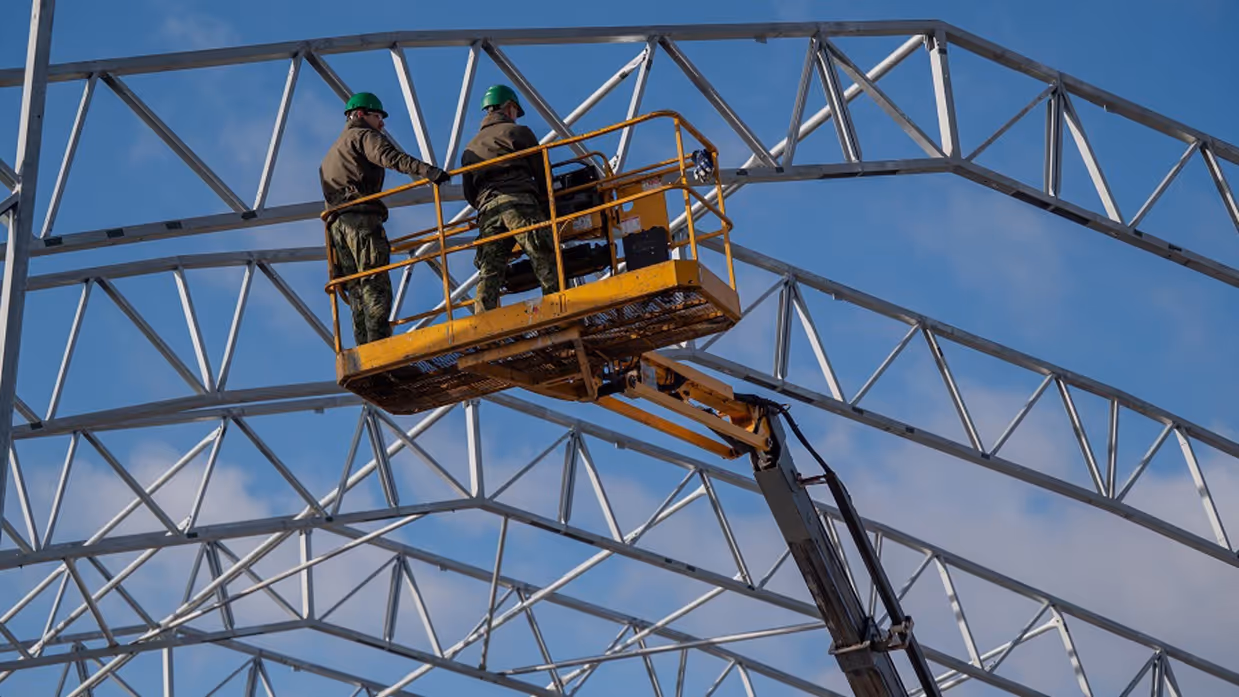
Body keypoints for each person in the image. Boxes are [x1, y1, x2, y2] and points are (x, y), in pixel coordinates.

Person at [320, 91, 450, 346]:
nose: (382, 123)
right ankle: (379, 345)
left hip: (337, 228)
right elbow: (390, 158)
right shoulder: (363, 136)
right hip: (361, 220)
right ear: (360, 115)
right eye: (377, 116)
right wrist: (428, 171)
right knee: (375, 282)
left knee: (356, 288)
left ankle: (364, 348)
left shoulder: (330, 155)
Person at [460, 84, 561, 312]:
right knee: (542, 253)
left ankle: (482, 318)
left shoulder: (470, 148)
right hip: (519, 202)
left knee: (490, 268)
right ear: (509, 108)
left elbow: (469, 193)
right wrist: (546, 203)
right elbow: (541, 171)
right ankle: (557, 304)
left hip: (488, 212)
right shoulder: (518, 132)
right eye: (515, 110)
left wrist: (486, 203)